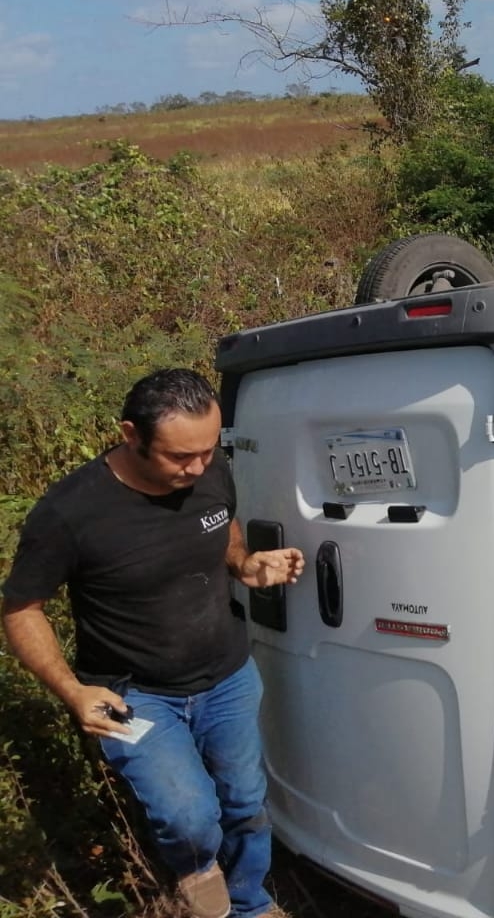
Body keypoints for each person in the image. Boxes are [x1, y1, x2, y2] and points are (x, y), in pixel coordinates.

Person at [1, 369, 305, 918]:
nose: (197, 468)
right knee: (187, 816)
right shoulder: (71, 512)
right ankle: (197, 873)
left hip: (228, 677)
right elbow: (22, 609)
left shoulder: (210, 472)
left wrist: (244, 565)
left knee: (244, 802)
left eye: (208, 451)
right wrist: (71, 689)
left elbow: (225, 527)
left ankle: (250, 904)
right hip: (135, 695)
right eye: (179, 457)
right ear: (129, 434)